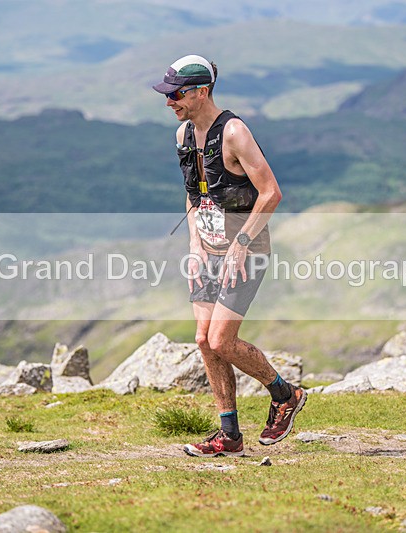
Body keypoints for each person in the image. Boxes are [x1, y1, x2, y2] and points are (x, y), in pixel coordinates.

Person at [152, 54, 307, 457]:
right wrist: (194, 246)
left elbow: (271, 192)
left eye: (176, 95)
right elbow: (193, 194)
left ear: (201, 92)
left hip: (245, 250)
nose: (169, 102)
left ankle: (286, 394)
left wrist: (241, 244)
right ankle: (230, 436)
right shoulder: (184, 134)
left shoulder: (235, 132)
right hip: (206, 250)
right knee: (204, 341)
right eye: (167, 94)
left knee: (222, 339)